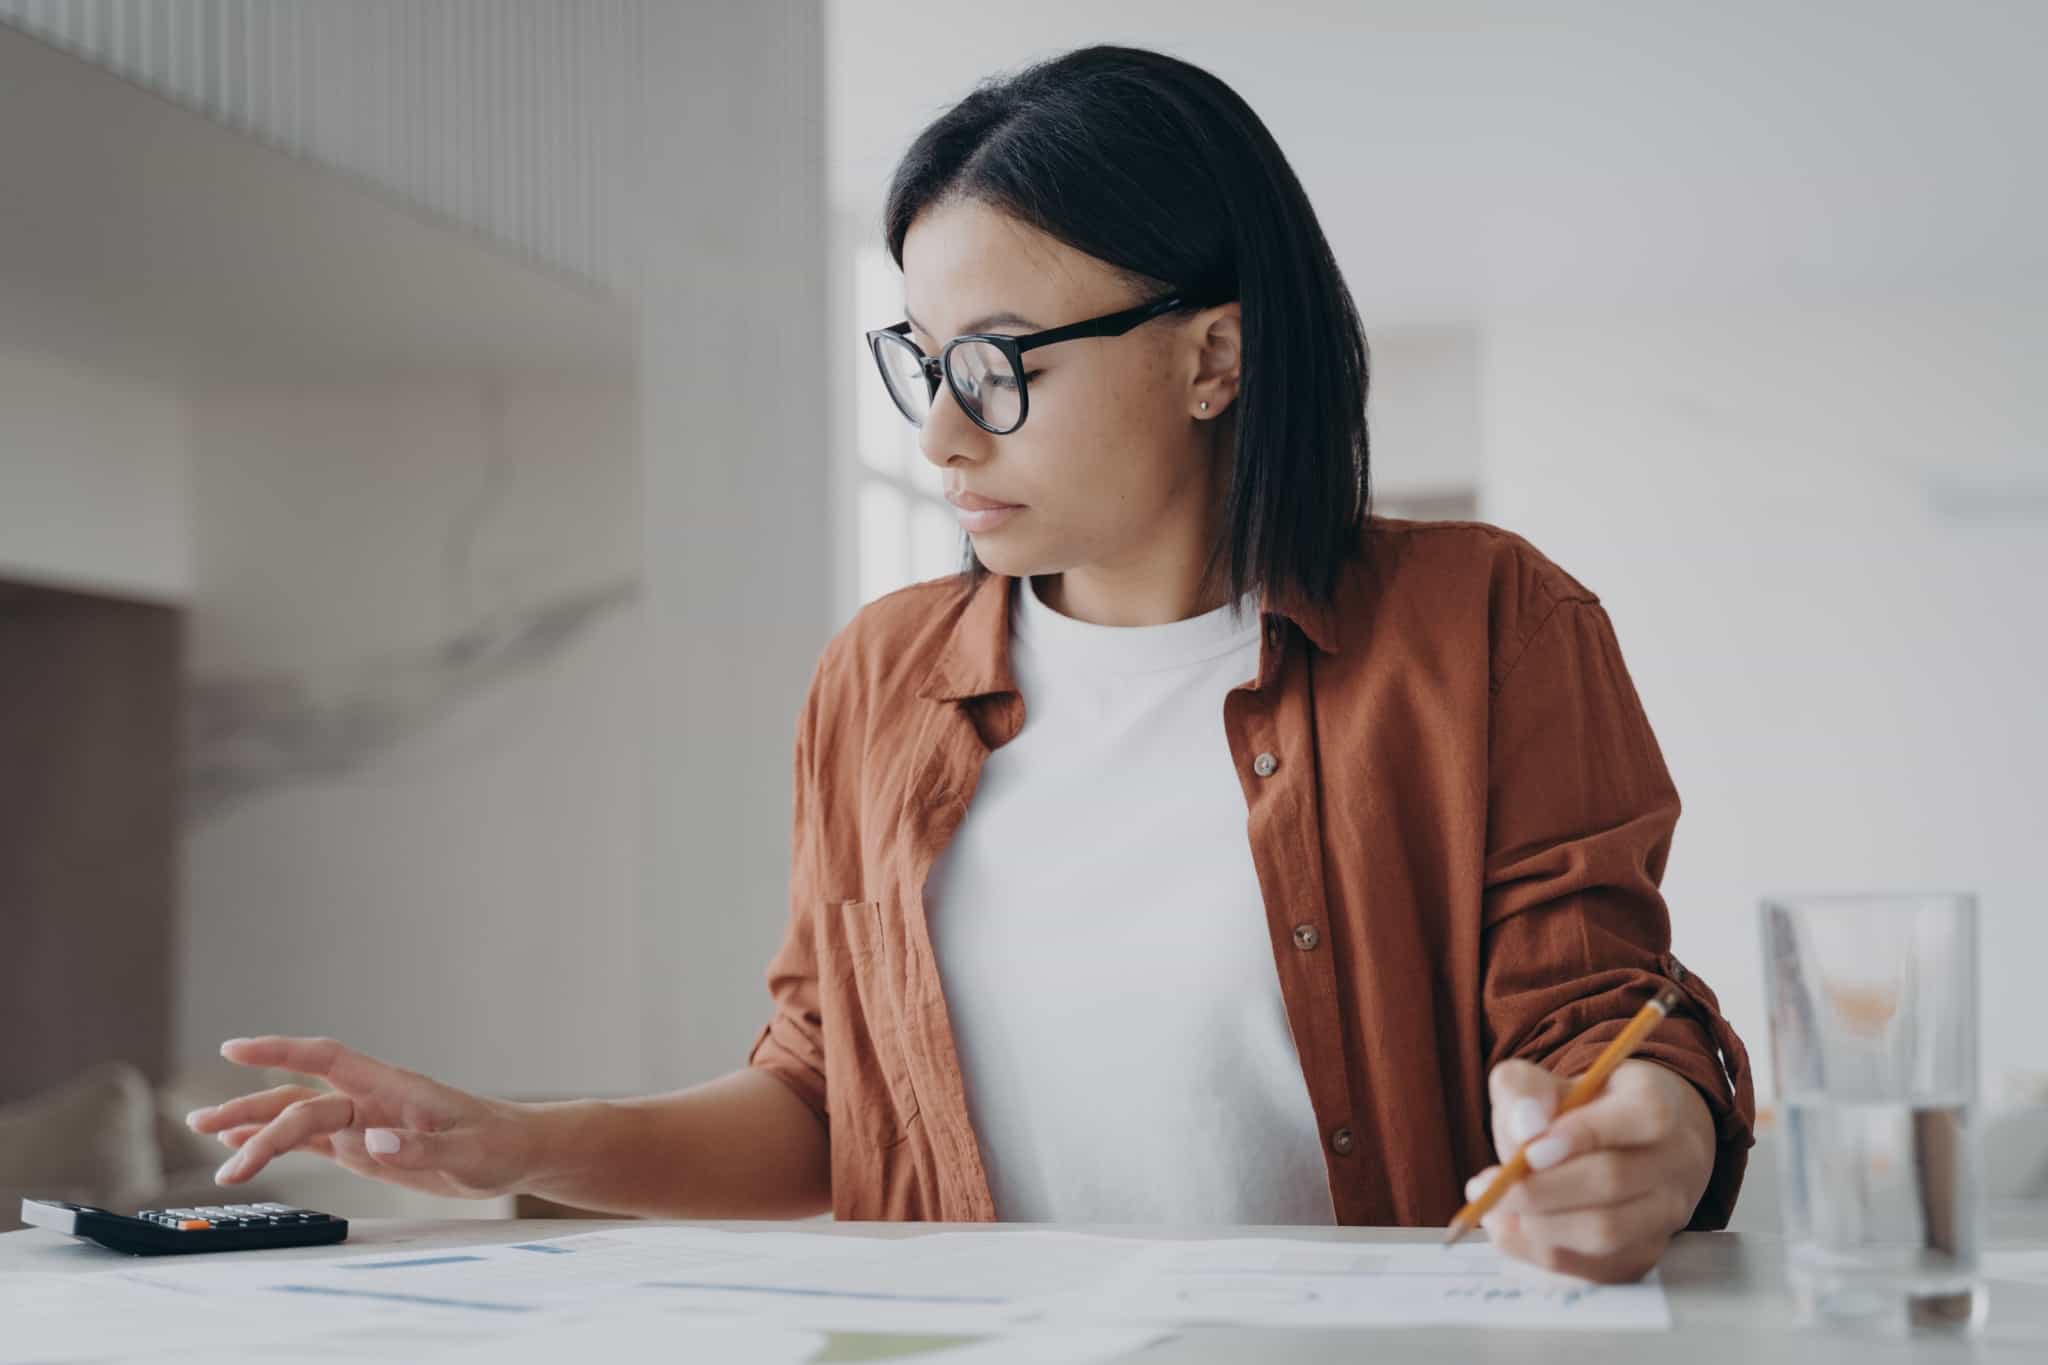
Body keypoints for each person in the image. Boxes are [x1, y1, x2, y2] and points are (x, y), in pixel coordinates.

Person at [192, 44, 1754, 1285]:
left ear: (1214, 354)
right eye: (927, 366)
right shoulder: (879, 682)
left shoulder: (1489, 624)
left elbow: (1600, 1024)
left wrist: (1652, 1137)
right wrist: (504, 1141)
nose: (942, 432)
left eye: (1000, 366)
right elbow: (825, 1104)